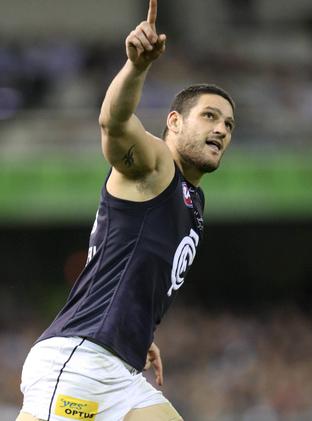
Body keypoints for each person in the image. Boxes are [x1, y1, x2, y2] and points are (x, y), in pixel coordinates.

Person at [16, 1, 235, 420]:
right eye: (209, 116)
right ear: (173, 122)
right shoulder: (154, 165)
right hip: (80, 358)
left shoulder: (192, 200)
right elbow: (113, 125)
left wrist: (138, 330)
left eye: (228, 124)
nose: (221, 129)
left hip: (121, 365)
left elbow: (128, 267)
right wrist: (136, 67)